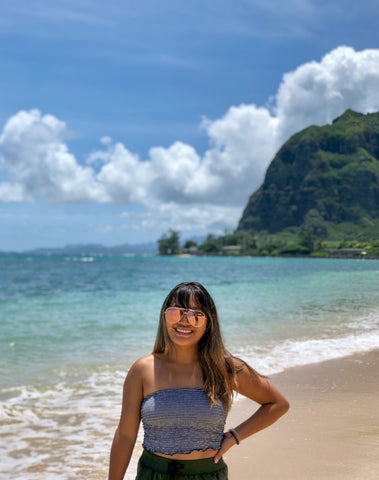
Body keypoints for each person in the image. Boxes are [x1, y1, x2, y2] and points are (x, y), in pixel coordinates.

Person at [108, 282, 289, 480]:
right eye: (176, 312)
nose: (184, 321)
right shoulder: (143, 370)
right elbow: (125, 436)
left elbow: (277, 404)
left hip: (207, 475)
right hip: (153, 474)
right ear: (164, 316)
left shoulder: (224, 368)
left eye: (196, 315)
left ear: (209, 322)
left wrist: (234, 436)